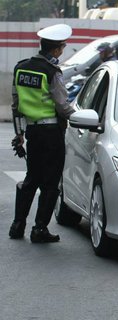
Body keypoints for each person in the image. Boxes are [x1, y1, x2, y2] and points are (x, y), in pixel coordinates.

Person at [9, 24, 76, 243]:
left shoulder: (21, 68)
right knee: (50, 183)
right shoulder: (52, 72)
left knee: (31, 178)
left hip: (32, 132)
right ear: (56, 50)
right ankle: (39, 229)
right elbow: (62, 106)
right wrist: (77, 117)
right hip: (51, 134)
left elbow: (16, 105)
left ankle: (17, 225)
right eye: (63, 47)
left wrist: (19, 135)